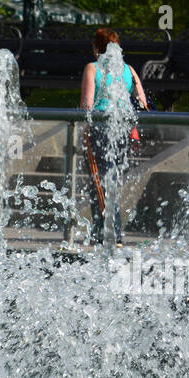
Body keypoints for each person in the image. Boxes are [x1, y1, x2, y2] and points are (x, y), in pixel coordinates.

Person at [79, 28, 148, 246]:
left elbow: (87, 104)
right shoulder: (129, 70)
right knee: (111, 180)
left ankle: (111, 233)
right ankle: (104, 232)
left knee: (99, 181)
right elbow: (143, 102)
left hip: (100, 128)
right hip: (123, 130)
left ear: (96, 47)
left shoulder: (92, 68)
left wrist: (82, 129)